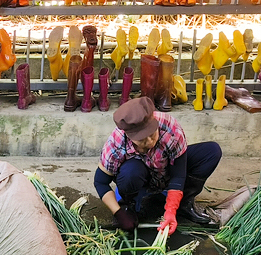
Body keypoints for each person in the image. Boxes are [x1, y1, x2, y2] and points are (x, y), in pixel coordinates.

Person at [94, 96, 222, 234]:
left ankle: (183, 203)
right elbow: (100, 182)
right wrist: (118, 212)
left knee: (211, 152)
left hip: (165, 172)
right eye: (142, 139)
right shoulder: (116, 143)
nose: (150, 142)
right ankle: (129, 205)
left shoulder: (170, 127)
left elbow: (179, 175)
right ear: (128, 136)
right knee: (130, 172)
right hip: (140, 178)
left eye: (152, 133)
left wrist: (171, 210)